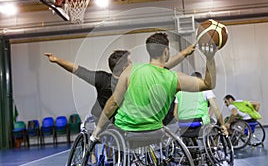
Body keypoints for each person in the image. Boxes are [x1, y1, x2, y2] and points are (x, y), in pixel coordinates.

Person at [92, 32, 217, 139]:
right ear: (166, 51)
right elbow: (208, 84)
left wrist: (98, 128)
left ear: (149, 50)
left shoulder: (130, 71)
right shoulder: (173, 78)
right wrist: (210, 57)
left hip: (126, 130)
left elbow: (113, 103)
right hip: (154, 131)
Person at [44, 44, 196, 122]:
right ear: (124, 67)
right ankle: (93, 161)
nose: (133, 64)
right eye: (130, 62)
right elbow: (77, 70)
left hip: (120, 120)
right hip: (100, 118)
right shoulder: (103, 79)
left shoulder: (134, 77)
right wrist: (57, 60)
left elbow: (162, 67)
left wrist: (184, 53)